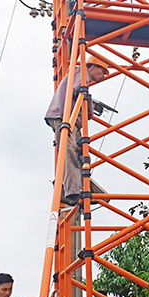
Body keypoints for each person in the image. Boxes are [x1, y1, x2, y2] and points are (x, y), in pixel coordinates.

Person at [44, 56, 109, 207]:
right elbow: (78, 91)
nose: (104, 75)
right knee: (70, 151)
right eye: (103, 71)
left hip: (69, 119)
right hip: (64, 117)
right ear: (93, 67)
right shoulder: (81, 72)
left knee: (79, 153)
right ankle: (72, 190)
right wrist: (89, 106)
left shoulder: (81, 76)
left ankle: (77, 185)